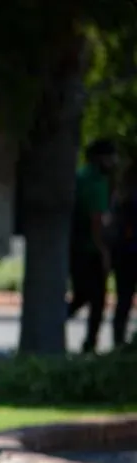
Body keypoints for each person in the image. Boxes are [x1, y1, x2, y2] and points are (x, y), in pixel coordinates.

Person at [68, 139, 119, 353]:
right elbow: (96, 219)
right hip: (90, 248)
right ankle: (90, 343)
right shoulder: (97, 182)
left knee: (82, 294)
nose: (114, 161)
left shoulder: (80, 176)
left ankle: (60, 318)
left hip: (74, 245)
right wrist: (104, 251)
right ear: (100, 158)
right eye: (111, 157)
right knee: (96, 299)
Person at [112, 160, 137, 349]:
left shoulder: (120, 199)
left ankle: (119, 339)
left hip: (123, 254)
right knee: (124, 300)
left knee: (124, 300)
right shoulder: (130, 201)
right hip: (130, 253)